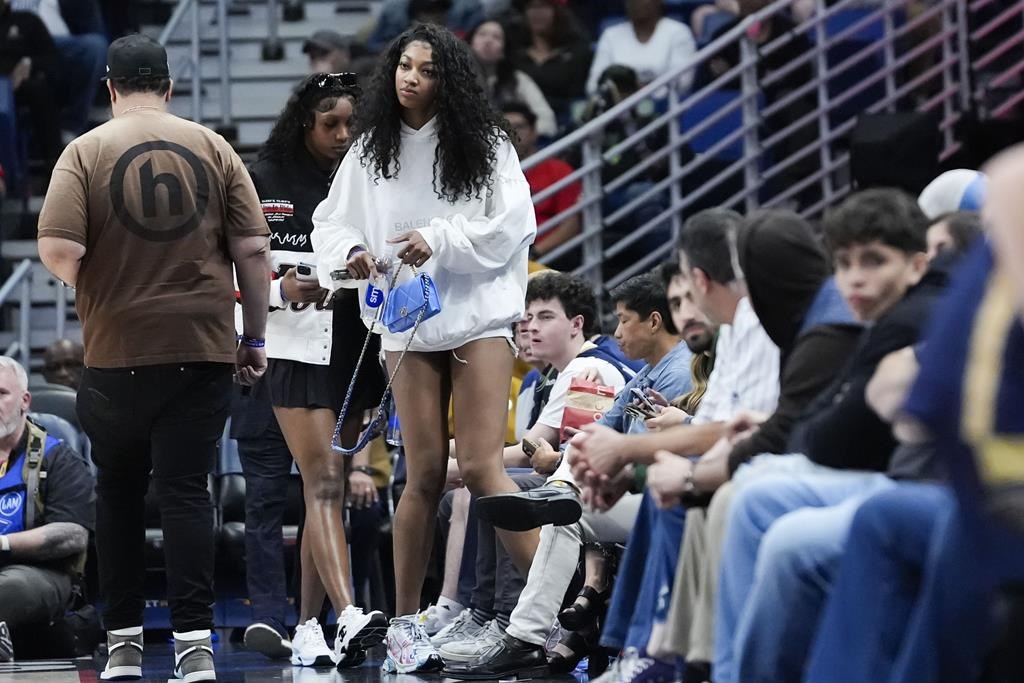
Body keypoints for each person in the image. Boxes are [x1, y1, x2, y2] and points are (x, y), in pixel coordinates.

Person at [35, 34, 270, 682]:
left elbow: (57, 248)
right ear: (170, 88)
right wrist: (253, 337)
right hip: (200, 349)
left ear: (109, 87)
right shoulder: (215, 148)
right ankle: (196, 647)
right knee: (188, 492)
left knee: (117, 495)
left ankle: (125, 646)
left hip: (115, 351)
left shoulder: (84, 150)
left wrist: (103, 283)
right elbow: (253, 251)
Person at [310, 23, 538, 674]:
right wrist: (351, 255)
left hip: (476, 313)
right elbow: (334, 223)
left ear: (452, 80)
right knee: (422, 474)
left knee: (484, 464)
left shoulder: (486, 144)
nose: (411, 77)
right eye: (404, 65)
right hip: (405, 321)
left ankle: (556, 606)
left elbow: (512, 225)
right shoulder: (371, 149)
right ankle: (405, 630)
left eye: (427, 69)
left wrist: (441, 238)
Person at [712, 189, 950, 683]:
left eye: (874, 261)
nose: (855, 278)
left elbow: (831, 438)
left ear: (917, 265)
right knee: (750, 488)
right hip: (900, 480)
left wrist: (695, 471)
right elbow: (820, 424)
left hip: (927, 489)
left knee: (777, 528)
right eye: (843, 264)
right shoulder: (878, 321)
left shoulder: (908, 318)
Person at [450, 272, 697, 680]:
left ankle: (513, 628)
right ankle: (522, 634)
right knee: (563, 500)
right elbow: (596, 435)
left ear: (654, 321)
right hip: (626, 485)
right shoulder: (641, 374)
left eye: (623, 320)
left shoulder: (666, 372)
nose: (616, 332)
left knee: (550, 505)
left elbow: (641, 454)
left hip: (663, 491)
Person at [244, 72, 388, 667]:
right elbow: (230, 269)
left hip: (356, 342)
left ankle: (306, 628)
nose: (343, 134)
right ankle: (349, 613)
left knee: (317, 491)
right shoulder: (262, 178)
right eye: (332, 123)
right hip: (295, 345)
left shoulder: (366, 175)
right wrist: (281, 287)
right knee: (325, 481)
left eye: (351, 124)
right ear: (305, 120)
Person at [0, 356, 94, 663]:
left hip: (38, 573)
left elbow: (72, 535)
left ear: (24, 400)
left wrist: (4, 543)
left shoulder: (58, 456)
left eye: (1, 394)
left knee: (11, 587)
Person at [502, 102, 580, 263]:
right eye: (504, 128)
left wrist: (534, 253)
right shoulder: (490, 172)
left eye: (519, 127)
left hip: (544, 256)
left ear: (533, 132)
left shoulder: (559, 171)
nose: (511, 133)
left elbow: (571, 225)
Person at [585, 0, 696, 95]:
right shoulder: (610, 35)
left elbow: (683, 83)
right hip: (617, 110)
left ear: (658, 1)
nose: (636, 2)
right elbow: (593, 86)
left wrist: (635, 89)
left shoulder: (678, 32)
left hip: (665, 112)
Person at [468, 20, 557, 137]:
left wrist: (520, 137)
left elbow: (547, 121)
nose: (488, 41)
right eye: (482, 34)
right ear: (469, 43)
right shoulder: (454, 78)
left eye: (496, 37)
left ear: (504, 51)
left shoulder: (519, 80)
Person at [0, 0, 61, 169]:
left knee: (40, 90)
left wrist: (29, 63)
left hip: (17, 89)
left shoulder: (28, 21)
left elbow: (53, 60)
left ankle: (54, 163)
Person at [511, 0, 592, 125]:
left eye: (543, 6)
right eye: (531, 7)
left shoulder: (578, 51)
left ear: (557, 11)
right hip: (523, 125)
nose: (536, 13)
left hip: (569, 122)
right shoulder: (515, 53)